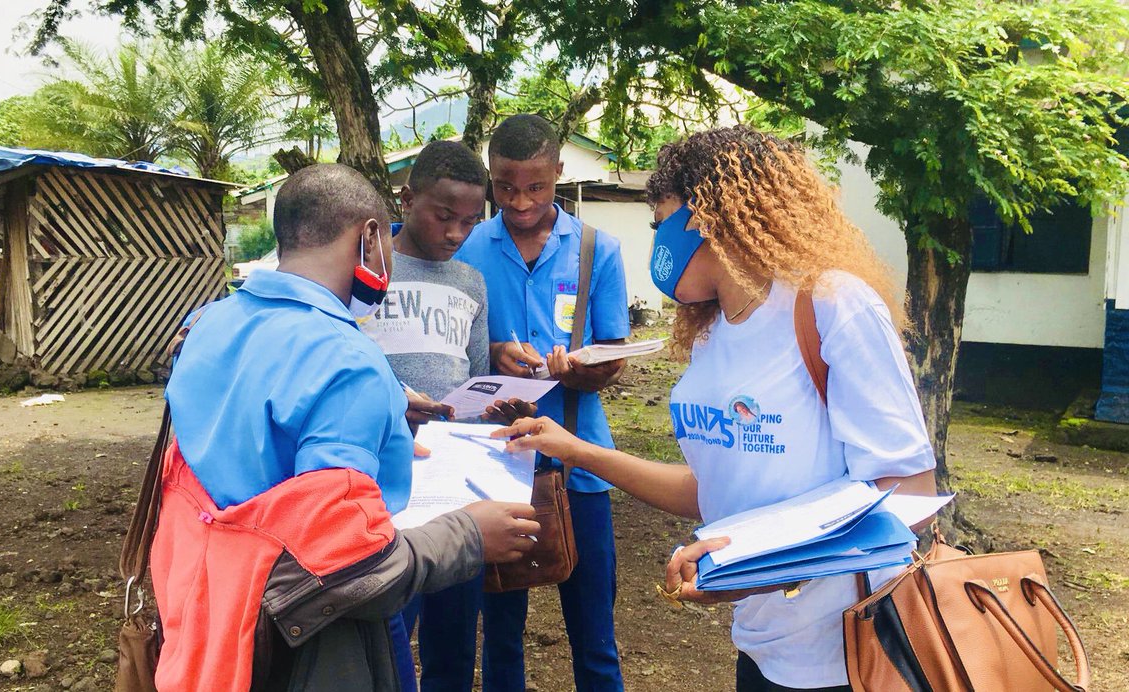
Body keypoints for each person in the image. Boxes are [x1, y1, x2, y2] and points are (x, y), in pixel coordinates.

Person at [494, 126, 938, 692]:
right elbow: (713, 487)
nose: (656, 239)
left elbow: (909, 493)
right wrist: (574, 449)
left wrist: (750, 568)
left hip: (851, 651)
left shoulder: (832, 304)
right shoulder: (710, 336)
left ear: (708, 213)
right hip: (761, 645)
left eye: (660, 222)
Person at [153, 163, 540, 691]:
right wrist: (469, 534)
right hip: (306, 645)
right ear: (371, 236)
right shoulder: (348, 361)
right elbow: (348, 568)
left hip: (203, 609)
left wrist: (384, 421)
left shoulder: (205, 325)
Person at [455, 114, 630, 692]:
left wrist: (577, 370)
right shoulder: (470, 250)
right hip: (496, 464)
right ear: (490, 179)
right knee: (500, 631)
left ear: (560, 171)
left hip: (580, 464)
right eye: (505, 187)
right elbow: (457, 359)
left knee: (594, 635)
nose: (520, 201)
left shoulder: (596, 251)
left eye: (536, 186)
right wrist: (494, 357)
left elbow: (614, 360)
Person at [358, 139, 535, 691]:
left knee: (455, 634)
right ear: (406, 199)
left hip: (452, 472)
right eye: (444, 216)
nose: (457, 233)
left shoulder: (469, 281)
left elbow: (476, 372)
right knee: (386, 626)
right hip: (382, 467)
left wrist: (500, 401)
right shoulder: (364, 268)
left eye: (468, 221)